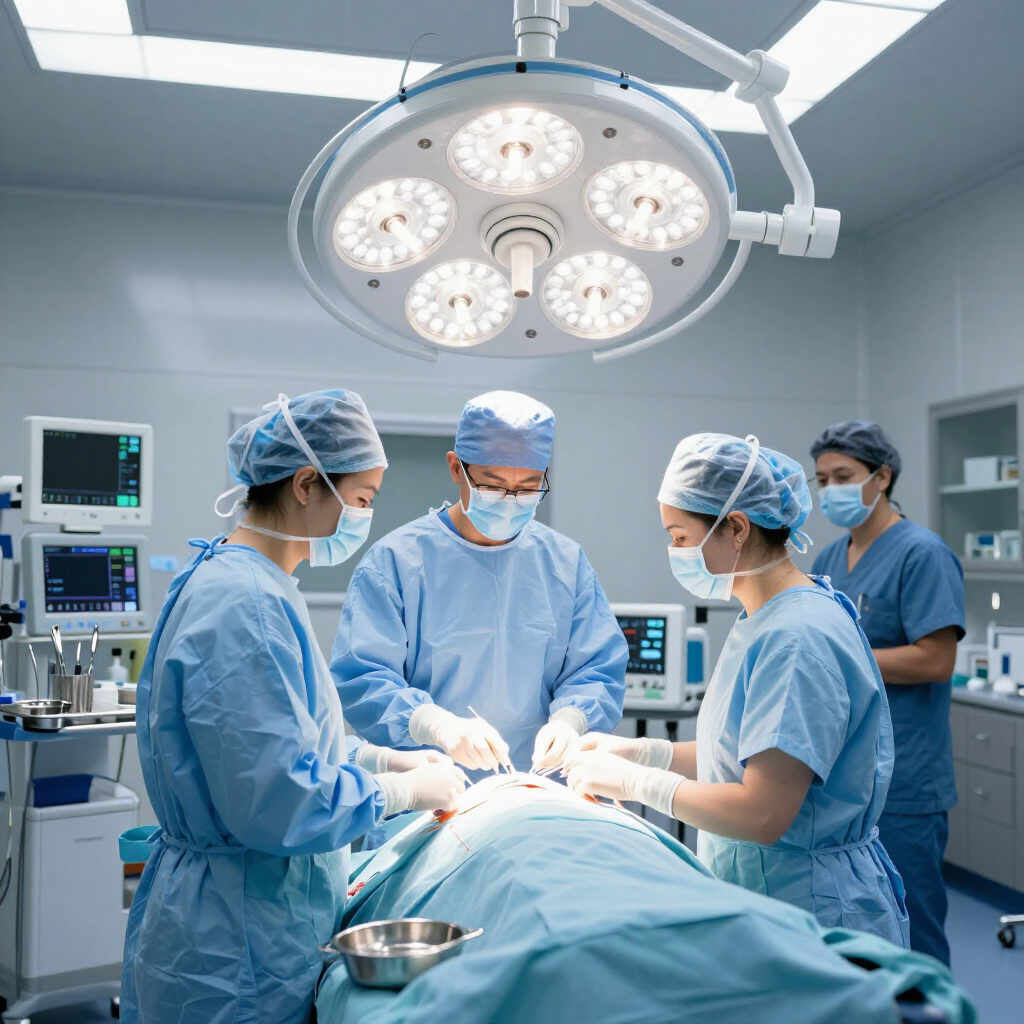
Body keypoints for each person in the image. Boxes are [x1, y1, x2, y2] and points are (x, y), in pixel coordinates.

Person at [121, 391, 468, 1024]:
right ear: (308, 483)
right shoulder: (245, 605)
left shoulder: (236, 580)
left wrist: (382, 758)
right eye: (362, 499)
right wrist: (404, 792)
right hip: (236, 944)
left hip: (229, 921)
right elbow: (277, 799)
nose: (366, 517)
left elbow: (277, 742)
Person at [564, 433, 909, 947]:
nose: (674, 552)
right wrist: (639, 751)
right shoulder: (767, 615)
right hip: (769, 896)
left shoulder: (796, 637)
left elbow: (763, 811)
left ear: (738, 527)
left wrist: (636, 785)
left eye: (680, 537)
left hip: (808, 913)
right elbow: (746, 757)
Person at [331, 390, 627, 777]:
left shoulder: (565, 563)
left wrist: (570, 720)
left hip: (536, 785)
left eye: (528, 487)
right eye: (492, 484)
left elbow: (596, 669)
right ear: (456, 468)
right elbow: (364, 677)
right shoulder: (397, 562)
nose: (510, 499)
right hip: (428, 789)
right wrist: (434, 724)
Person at [809, 419, 964, 966]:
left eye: (843, 475)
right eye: (822, 478)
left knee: (912, 923)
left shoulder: (923, 554)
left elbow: (936, 659)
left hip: (905, 780)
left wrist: (846, 659)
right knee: (850, 925)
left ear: (882, 476)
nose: (830, 489)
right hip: (842, 774)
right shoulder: (829, 560)